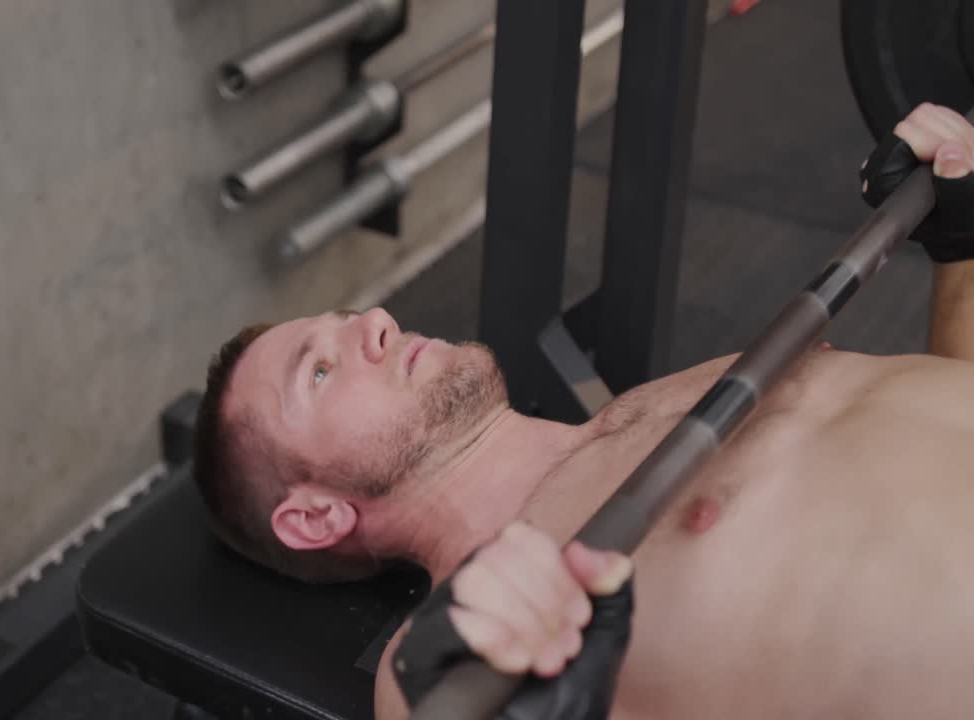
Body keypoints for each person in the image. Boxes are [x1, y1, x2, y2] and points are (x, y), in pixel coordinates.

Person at [191, 102, 974, 720]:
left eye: (351, 316)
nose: (377, 322)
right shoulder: (461, 656)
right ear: (316, 516)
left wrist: (960, 249)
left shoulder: (663, 398)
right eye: (320, 370)